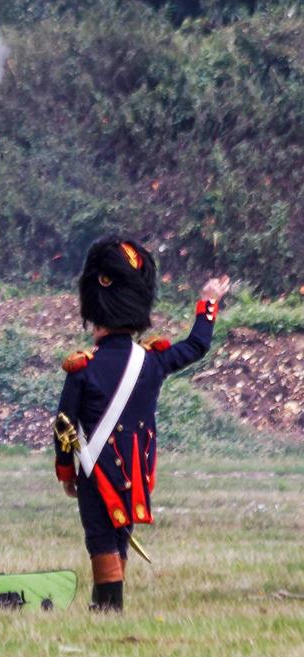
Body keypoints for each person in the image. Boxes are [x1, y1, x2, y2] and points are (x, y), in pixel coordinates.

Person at [53, 235, 229, 612]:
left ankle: (108, 608)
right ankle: (106, 605)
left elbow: (64, 423)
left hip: (94, 466)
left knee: (100, 536)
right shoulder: (154, 361)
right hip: (135, 467)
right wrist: (208, 302)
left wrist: (65, 469)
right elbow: (198, 345)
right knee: (119, 533)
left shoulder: (82, 366)